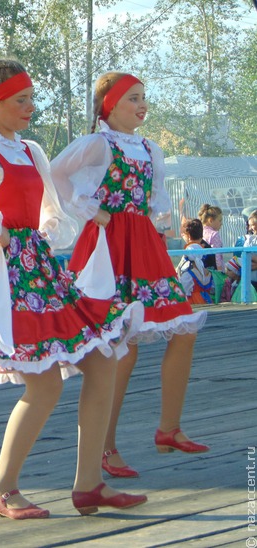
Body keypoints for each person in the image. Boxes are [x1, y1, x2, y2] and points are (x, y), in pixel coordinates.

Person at [0, 59, 146, 518]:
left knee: (100, 361)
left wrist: (53, 227)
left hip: (37, 265)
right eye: (21, 100)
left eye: (32, 98)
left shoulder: (31, 149)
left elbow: (51, 209)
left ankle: (89, 484)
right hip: (3, 268)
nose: (31, 107)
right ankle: (2, 488)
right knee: (45, 383)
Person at [50, 72, 209, 480]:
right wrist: (90, 210)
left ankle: (168, 428)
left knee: (184, 328)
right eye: (133, 98)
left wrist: (161, 219)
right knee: (120, 346)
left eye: (144, 98)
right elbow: (54, 175)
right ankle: (105, 447)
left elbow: (155, 197)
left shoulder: (149, 148)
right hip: (107, 246)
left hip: (144, 245)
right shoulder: (97, 143)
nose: (142, 105)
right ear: (110, 104)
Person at [177, 218, 214, 304]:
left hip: (192, 302)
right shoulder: (202, 266)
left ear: (188, 235)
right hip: (206, 300)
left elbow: (183, 289)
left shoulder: (187, 269)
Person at [197, 203, 224, 271]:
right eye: (220, 220)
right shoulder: (214, 234)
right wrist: (220, 271)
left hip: (201, 268)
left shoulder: (200, 232)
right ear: (211, 220)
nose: (221, 223)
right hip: (213, 270)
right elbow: (217, 255)